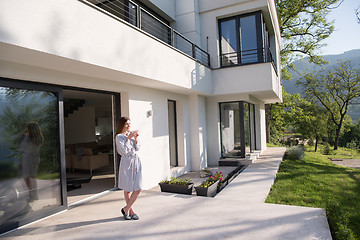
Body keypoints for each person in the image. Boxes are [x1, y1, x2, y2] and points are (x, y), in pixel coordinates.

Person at [115, 117, 142, 220]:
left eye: (129, 123)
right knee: (127, 188)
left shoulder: (130, 135)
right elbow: (123, 151)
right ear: (122, 125)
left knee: (138, 188)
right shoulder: (119, 137)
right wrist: (127, 139)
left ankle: (126, 208)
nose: (128, 125)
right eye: (126, 124)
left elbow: (137, 148)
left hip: (136, 162)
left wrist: (135, 138)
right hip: (127, 163)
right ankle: (130, 211)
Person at [21, 122, 44, 201]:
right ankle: (34, 195)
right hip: (35, 158)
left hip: (29, 159)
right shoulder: (38, 138)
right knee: (33, 177)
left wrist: (25, 137)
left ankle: (31, 196)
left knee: (27, 178)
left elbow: (24, 148)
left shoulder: (29, 138)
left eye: (28, 129)